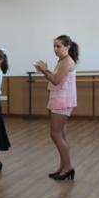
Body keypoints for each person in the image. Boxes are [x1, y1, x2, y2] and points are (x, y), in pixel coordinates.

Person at [34, 35, 79, 180]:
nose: (55, 49)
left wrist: (45, 70)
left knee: (56, 134)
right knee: (61, 135)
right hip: (59, 99)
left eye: (58, 46)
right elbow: (55, 78)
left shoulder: (67, 61)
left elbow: (56, 80)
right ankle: (63, 166)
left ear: (67, 47)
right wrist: (44, 71)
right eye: (54, 46)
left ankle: (67, 167)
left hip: (62, 101)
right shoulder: (62, 60)